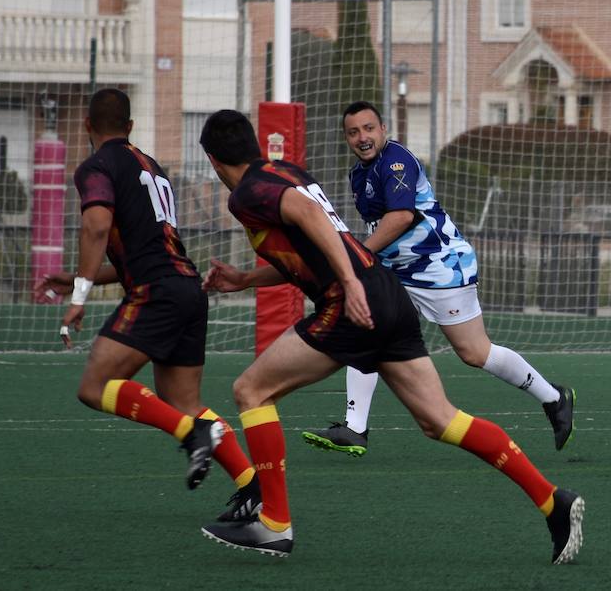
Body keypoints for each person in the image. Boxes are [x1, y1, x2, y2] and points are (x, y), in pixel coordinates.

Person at [195, 110, 583, 562]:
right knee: (441, 420)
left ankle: (274, 523)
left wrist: (350, 281)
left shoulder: (247, 193)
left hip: (356, 300)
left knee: (250, 391)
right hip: (386, 295)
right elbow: (310, 245)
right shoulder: (284, 172)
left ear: (213, 159)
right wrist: (245, 278)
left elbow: (310, 218)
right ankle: (553, 500)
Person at [33, 88, 260, 522]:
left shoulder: (97, 167)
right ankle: (252, 483)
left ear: (86, 127)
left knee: (94, 387)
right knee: (184, 400)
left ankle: (191, 435)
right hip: (188, 289)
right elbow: (139, 251)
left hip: (157, 292)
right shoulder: (151, 167)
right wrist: (81, 277)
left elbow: (96, 228)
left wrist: (79, 296)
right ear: (131, 127)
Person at [300, 102, 574, 456]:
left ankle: (554, 398)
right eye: (353, 132)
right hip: (397, 270)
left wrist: (358, 254)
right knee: (365, 325)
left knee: (475, 353)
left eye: (368, 129)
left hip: (440, 266)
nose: (362, 137)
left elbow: (400, 218)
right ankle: (355, 428)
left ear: (383, 129)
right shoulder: (358, 173)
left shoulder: (396, 161)